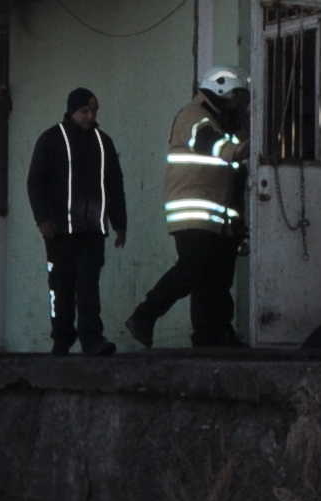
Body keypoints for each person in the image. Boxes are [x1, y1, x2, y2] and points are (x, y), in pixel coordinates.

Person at [125, 68, 248, 351]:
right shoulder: (193, 117)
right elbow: (213, 145)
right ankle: (145, 315)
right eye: (236, 98)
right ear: (222, 92)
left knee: (217, 277)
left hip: (218, 215)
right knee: (192, 268)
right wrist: (243, 147)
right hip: (192, 210)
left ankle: (212, 336)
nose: (239, 104)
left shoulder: (224, 121)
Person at [23, 85, 128, 355]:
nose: (90, 116)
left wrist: (120, 223)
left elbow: (115, 184)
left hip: (93, 230)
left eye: (94, 111)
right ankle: (62, 340)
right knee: (61, 287)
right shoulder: (51, 139)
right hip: (59, 231)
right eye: (85, 111)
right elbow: (36, 181)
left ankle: (92, 340)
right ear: (72, 111)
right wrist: (42, 219)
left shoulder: (104, 143)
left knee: (89, 287)